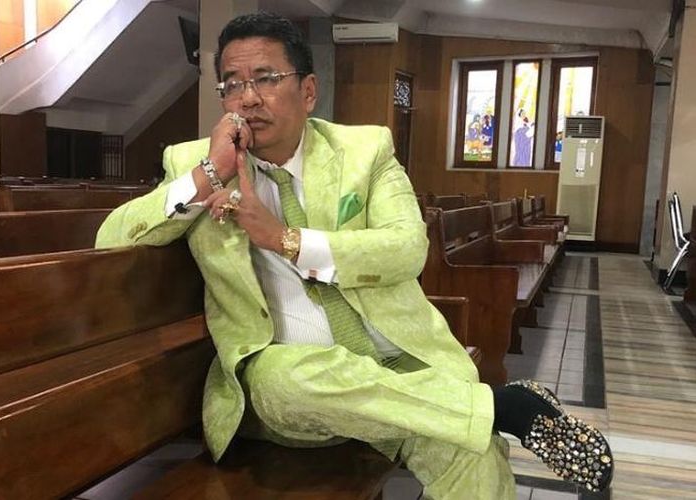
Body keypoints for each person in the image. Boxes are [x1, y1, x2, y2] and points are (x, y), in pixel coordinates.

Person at [95, 12, 613, 499]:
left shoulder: (365, 151)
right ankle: (500, 406)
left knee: (473, 454)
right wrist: (211, 172)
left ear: (308, 91)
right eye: (233, 84)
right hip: (301, 393)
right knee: (276, 379)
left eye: (266, 78)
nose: (248, 98)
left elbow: (407, 248)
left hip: (397, 366)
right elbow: (112, 239)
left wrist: (285, 239)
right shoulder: (194, 162)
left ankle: (473, 413)